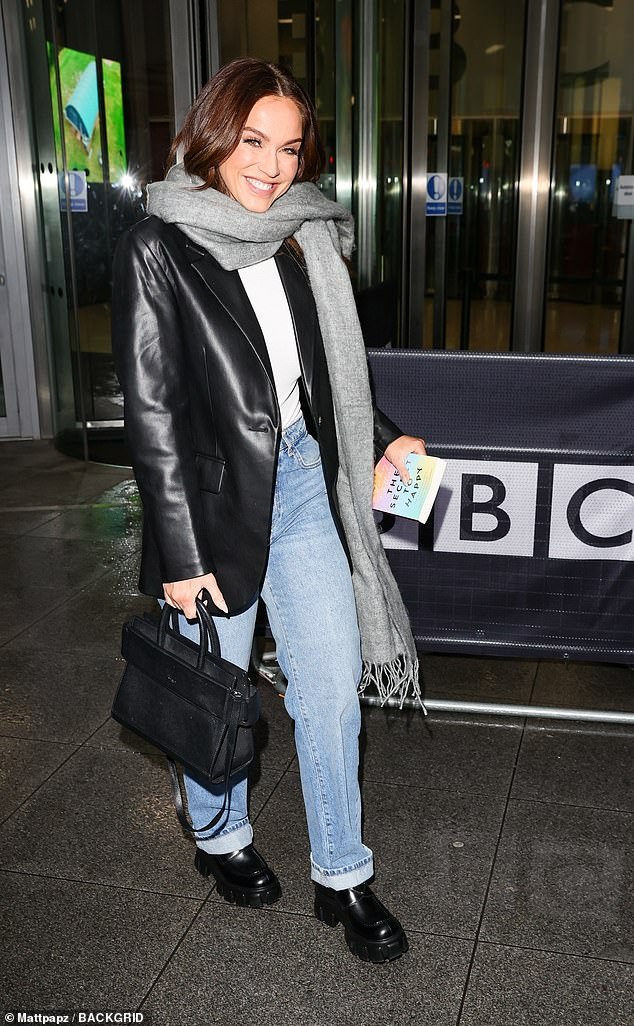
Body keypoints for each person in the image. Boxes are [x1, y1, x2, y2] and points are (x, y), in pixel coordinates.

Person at [111, 57, 426, 965]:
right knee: (217, 694)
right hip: (212, 506)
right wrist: (178, 551)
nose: (273, 166)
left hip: (303, 489)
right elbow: (155, 415)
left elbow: (325, 382)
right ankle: (218, 834)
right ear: (214, 137)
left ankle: (344, 874)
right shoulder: (157, 248)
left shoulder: (300, 239)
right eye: (254, 141)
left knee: (329, 692)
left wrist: (383, 439)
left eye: (290, 147)